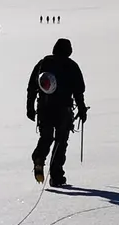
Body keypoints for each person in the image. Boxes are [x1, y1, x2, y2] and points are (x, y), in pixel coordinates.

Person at [26, 37, 87, 188]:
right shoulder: (71, 66)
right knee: (61, 142)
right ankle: (56, 176)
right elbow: (78, 91)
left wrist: (30, 107)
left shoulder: (43, 63)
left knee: (46, 137)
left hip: (44, 108)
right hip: (63, 111)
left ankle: (39, 157)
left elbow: (32, 87)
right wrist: (82, 109)